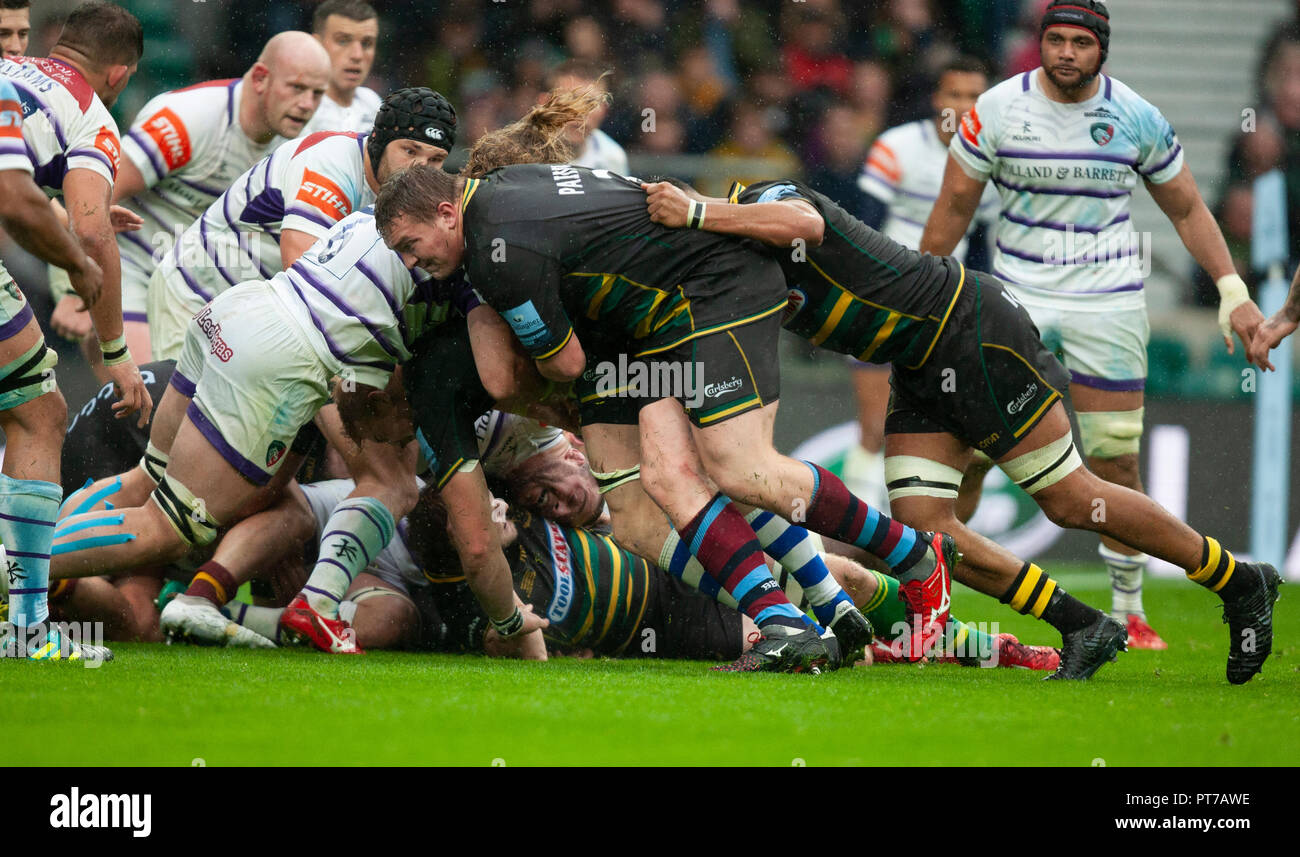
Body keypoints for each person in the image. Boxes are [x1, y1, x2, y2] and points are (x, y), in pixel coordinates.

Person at [641, 168, 1281, 684]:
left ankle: (1239, 580)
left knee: (1068, 499)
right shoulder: (725, 275)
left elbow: (804, 220)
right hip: (918, 361)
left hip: (968, 326)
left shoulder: (757, 203)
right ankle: (1082, 622)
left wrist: (696, 211)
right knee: (922, 531)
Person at [374, 158, 956, 675]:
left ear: (448, 213)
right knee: (637, 509)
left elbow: (560, 363)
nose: (413, 261)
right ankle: (797, 619)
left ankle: (914, 554)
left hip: (705, 295)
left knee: (740, 469)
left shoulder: (496, 251)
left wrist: (508, 351)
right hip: (632, 331)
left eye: (409, 243)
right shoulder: (503, 189)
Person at [920, 0, 1266, 650]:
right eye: (1057, 39)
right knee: (972, 453)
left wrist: (1231, 289)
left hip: (1107, 301)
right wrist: (920, 299)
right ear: (1041, 43)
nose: (1067, 52)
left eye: (1081, 41)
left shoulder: (1134, 115)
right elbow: (954, 206)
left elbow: (1188, 206)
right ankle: (933, 601)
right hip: (1016, 298)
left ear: (1101, 49)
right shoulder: (995, 109)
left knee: (1115, 462)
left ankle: (1130, 611)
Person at [0, 1, 151, 662]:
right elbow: (84, 229)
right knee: (38, 414)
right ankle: (28, 627)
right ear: (120, 74)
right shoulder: (92, 112)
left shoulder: (12, 76)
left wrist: (63, 220)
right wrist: (114, 348)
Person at [49, 31, 331, 366]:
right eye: (297, 88)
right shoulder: (188, 120)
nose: (307, 104)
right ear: (259, 78)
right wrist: (75, 289)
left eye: (317, 94)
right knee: (147, 398)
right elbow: (85, 202)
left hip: (194, 283)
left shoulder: (306, 144)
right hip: (128, 269)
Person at [145, 86, 454, 362]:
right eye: (410, 151)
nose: (420, 168)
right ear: (378, 140)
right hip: (196, 290)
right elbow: (305, 284)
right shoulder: (330, 164)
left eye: (436, 159)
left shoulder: (402, 195)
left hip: (251, 308)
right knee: (183, 416)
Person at [850, 55, 999, 508]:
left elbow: (979, 254)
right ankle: (852, 538)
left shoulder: (988, 167)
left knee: (943, 434)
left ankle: (922, 541)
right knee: (875, 428)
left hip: (944, 312)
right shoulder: (895, 148)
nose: (963, 104)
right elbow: (863, 230)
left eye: (974, 96)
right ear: (937, 98)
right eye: (955, 93)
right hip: (885, 302)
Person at [302, 0, 382, 136]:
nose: (357, 55)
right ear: (316, 44)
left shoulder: (373, 103)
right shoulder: (299, 107)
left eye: (366, 43)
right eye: (343, 41)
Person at [542, 59, 627, 174]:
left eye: (591, 103)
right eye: (571, 99)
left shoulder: (613, 158)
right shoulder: (516, 152)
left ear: (604, 110)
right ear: (544, 103)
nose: (580, 113)